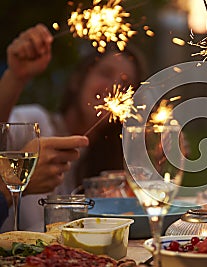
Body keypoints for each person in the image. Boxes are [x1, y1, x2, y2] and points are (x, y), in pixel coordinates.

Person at [0, 24, 146, 231]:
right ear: (78, 80)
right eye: (105, 73)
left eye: (125, 84)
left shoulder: (112, 158)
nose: (114, 88)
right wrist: (16, 76)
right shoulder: (36, 123)